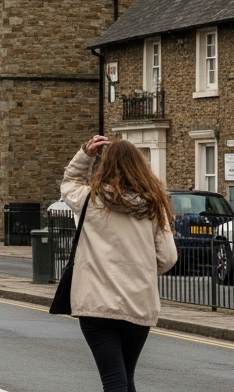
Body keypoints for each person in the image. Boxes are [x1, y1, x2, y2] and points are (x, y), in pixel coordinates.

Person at [61, 135, 177, 392]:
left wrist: (85, 155)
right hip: (138, 304)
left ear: (106, 166)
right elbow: (168, 258)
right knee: (126, 377)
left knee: (114, 381)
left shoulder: (90, 200)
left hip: (97, 305)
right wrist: (143, 270)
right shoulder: (154, 206)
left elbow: (69, 183)